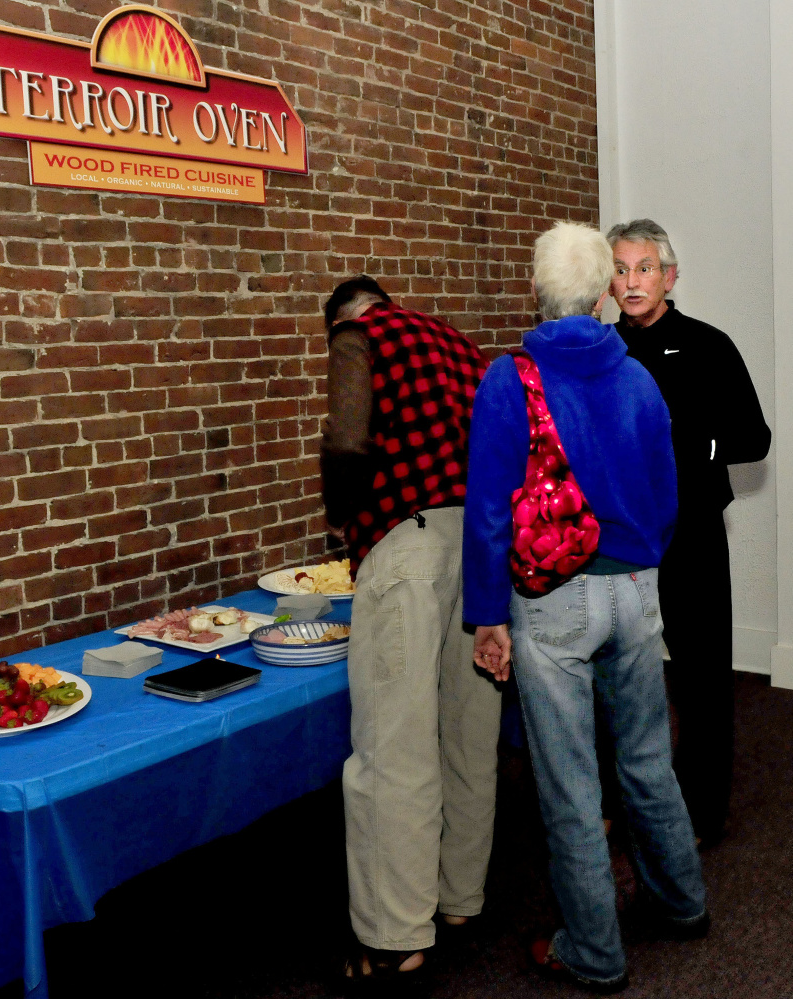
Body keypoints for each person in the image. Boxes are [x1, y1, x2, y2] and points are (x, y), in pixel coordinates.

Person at [463, 222, 707, 993]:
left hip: (553, 601)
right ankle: (683, 902)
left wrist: (487, 613)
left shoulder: (511, 378)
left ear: (535, 290)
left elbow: (489, 512)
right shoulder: (637, 377)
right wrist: (638, 565)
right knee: (646, 759)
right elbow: (668, 498)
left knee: (570, 783)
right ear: (604, 290)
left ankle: (595, 951)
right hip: (637, 591)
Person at [320, 276, 502, 984]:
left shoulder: (359, 337)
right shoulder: (458, 343)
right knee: (468, 731)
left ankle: (396, 934)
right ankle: (460, 898)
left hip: (408, 541)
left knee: (394, 746)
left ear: (345, 317)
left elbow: (348, 438)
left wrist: (340, 518)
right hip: (479, 549)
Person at [606, 219, 771, 849]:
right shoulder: (602, 354)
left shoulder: (710, 345)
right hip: (617, 546)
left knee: (701, 682)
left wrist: (691, 447)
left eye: (644, 267)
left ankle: (702, 818)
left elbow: (753, 439)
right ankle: (625, 811)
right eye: (620, 269)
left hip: (693, 537)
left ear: (669, 275)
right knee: (624, 684)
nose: (632, 281)